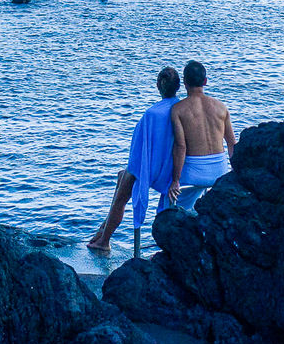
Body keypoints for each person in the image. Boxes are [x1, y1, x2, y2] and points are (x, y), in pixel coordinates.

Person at [86, 67, 181, 252]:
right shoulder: (181, 108)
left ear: (158, 85)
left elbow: (137, 153)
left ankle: (104, 241)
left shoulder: (152, 114)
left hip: (154, 171)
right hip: (170, 169)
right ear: (178, 87)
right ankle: (102, 231)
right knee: (122, 175)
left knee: (124, 188)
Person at [169, 60, 234, 210]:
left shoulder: (178, 110)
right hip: (220, 172)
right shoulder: (221, 107)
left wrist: (175, 180)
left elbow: (181, 147)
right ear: (205, 81)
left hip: (194, 174)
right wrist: (235, 173)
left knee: (174, 210)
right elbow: (232, 144)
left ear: (184, 82)